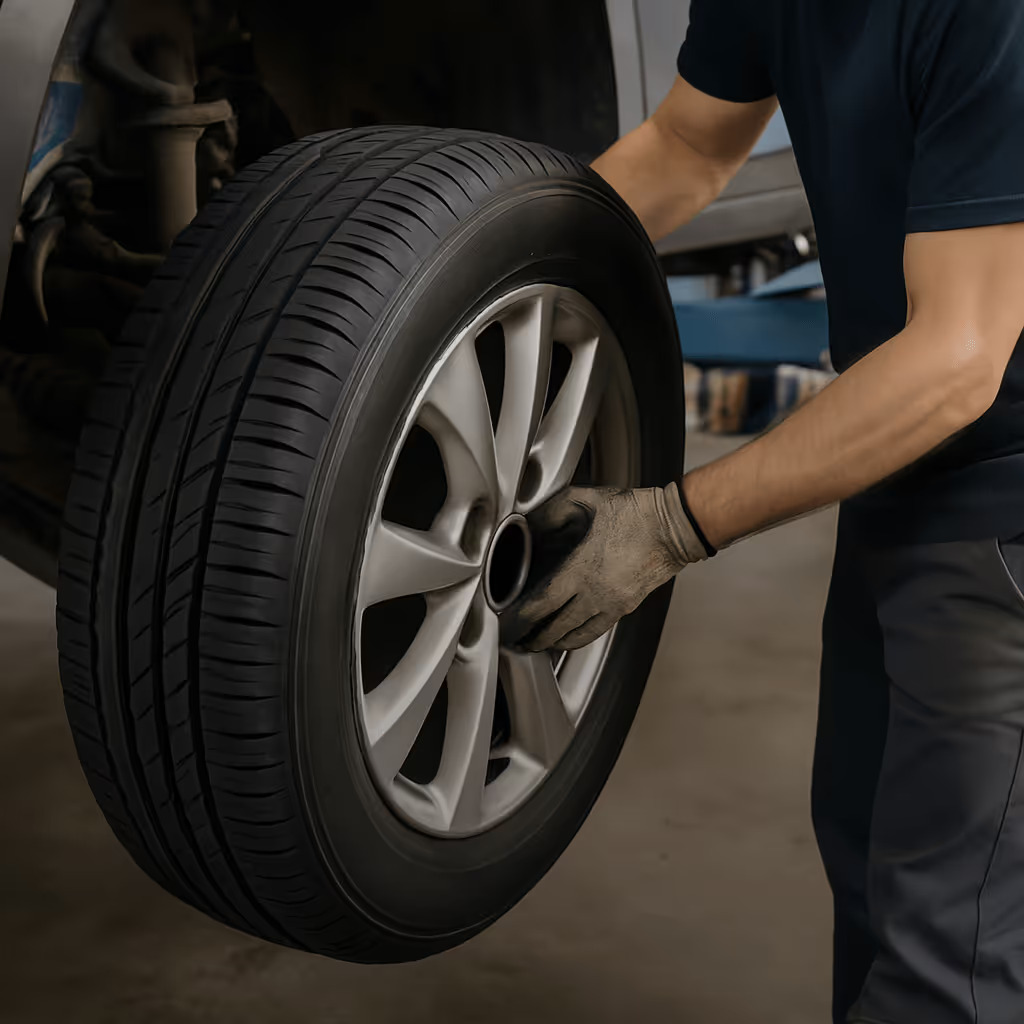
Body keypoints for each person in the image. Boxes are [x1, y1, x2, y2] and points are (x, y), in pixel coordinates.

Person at [506, 2, 1024, 1021]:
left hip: (1003, 498)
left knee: (948, 958)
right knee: (874, 868)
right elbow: (686, 147)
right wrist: (470, 278)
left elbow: (959, 358)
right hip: (898, 471)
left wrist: (670, 524)